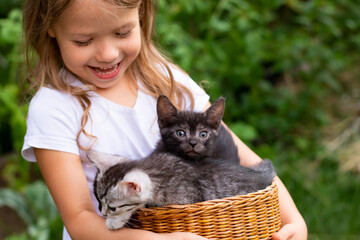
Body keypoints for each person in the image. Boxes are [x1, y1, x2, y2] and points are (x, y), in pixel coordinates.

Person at [21, 0, 307, 239]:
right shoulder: (54, 107)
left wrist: (293, 219)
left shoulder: (166, 80)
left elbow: (247, 160)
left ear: (141, 15)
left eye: (122, 33)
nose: (107, 54)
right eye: (84, 40)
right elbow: (80, 219)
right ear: (50, 28)